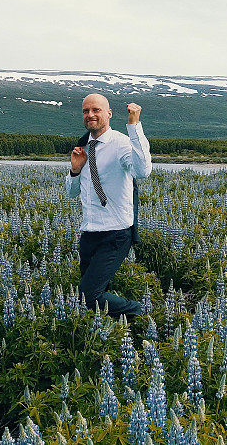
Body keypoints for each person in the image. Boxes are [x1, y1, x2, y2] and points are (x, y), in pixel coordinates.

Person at [66, 93, 152, 320]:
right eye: (86, 111)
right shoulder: (83, 146)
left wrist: (134, 127)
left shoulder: (121, 143)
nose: (90, 115)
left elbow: (142, 171)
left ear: (109, 114)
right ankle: (113, 332)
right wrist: (75, 170)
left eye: (96, 110)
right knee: (89, 299)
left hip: (115, 233)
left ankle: (137, 312)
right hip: (89, 233)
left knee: (90, 295)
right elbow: (71, 192)